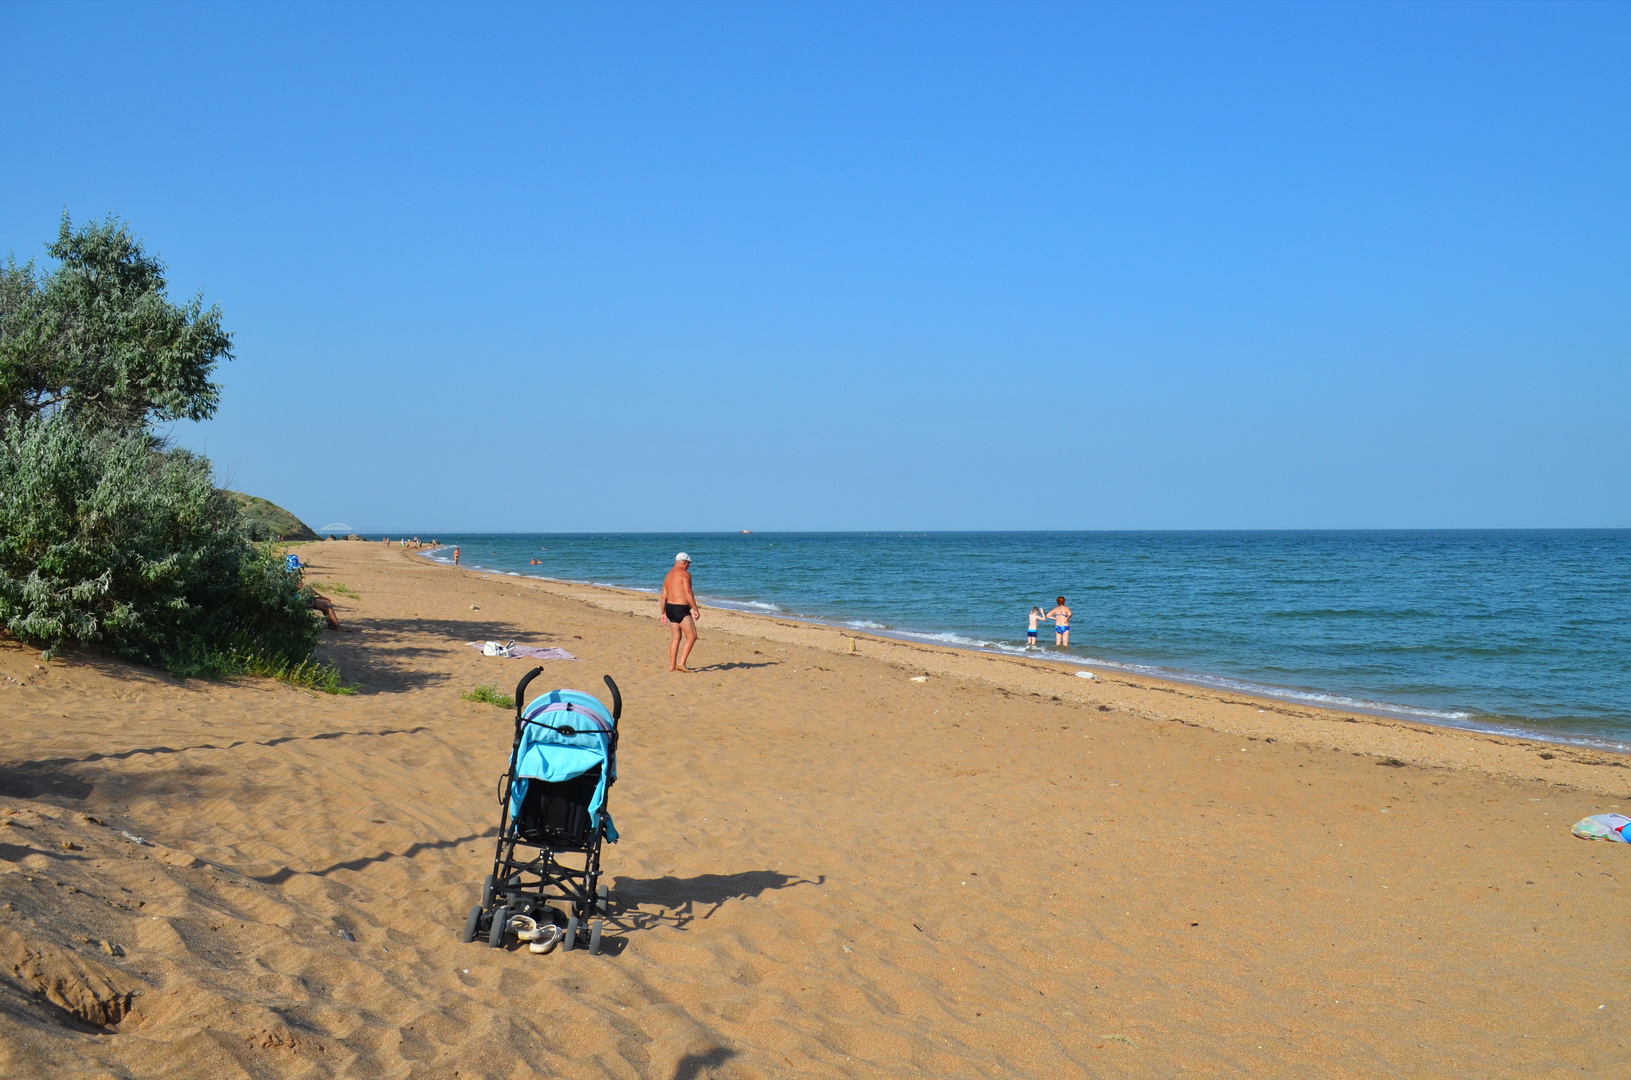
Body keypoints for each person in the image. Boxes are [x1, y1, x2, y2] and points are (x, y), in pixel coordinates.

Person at [659, 552, 700, 673]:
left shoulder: (668, 575)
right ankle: (681, 663)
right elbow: (688, 592)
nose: (689, 566)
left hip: (670, 608)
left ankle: (672, 666)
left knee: (676, 638)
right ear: (685, 562)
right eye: (689, 564)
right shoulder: (684, 574)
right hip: (680, 608)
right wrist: (695, 609)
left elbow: (663, 596)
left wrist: (663, 613)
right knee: (692, 636)